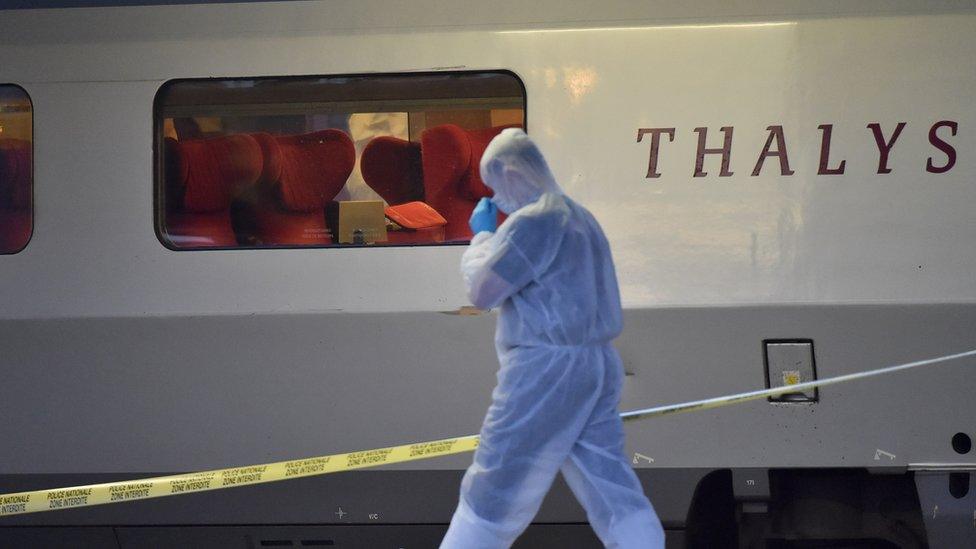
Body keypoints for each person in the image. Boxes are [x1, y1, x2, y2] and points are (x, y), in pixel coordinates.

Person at [441, 128, 665, 549]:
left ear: (512, 172)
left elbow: (483, 291)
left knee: (494, 485)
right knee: (611, 486)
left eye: (496, 185)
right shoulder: (582, 217)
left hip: (546, 371)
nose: (497, 198)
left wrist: (482, 236)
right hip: (597, 365)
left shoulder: (534, 221)